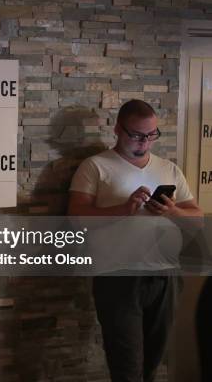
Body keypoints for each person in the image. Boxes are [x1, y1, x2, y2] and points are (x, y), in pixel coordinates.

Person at [67, 99, 203, 382]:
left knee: (152, 365)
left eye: (152, 135)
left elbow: (197, 218)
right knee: (127, 367)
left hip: (166, 277)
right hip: (118, 277)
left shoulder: (169, 169)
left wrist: (172, 210)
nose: (145, 142)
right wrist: (124, 210)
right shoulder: (95, 166)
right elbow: (77, 218)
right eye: (138, 135)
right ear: (117, 129)